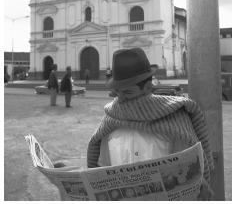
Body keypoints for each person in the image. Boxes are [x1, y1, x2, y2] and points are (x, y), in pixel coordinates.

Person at [87, 47, 214, 200]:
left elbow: (189, 172)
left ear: (147, 88)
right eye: (117, 92)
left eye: (127, 93)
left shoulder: (174, 119)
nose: (120, 99)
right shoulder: (110, 120)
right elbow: (102, 167)